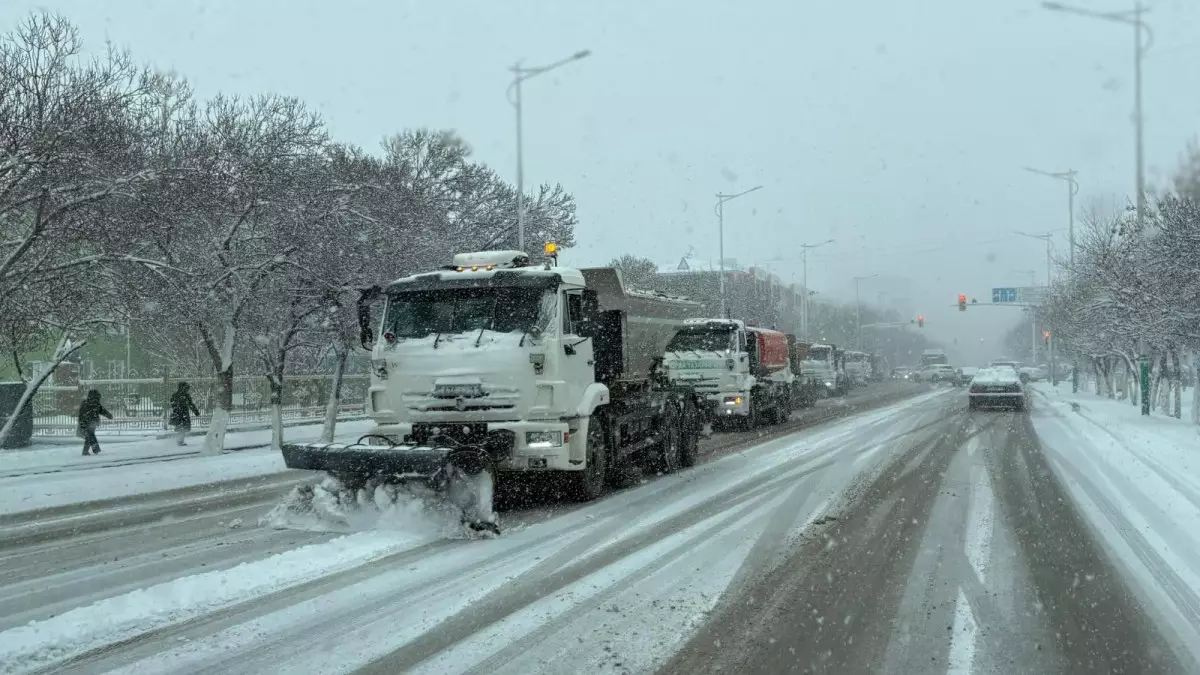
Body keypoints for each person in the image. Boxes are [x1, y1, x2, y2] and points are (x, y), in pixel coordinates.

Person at [77, 389, 112, 456]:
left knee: (89, 437)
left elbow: (81, 414)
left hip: (86, 423)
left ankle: (86, 451)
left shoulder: (85, 403)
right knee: (90, 436)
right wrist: (109, 415)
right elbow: (103, 411)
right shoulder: (96, 404)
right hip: (92, 423)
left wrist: (81, 423)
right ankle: (95, 449)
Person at [168, 382, 200, 446]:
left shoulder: (175, 394)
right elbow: (191, 404)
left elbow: (172, 403)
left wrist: (176, 407)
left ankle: (179, 440)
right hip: (184, 413)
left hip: (177, 413)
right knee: (183, 428)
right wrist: (196, 412)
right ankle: (180, 441)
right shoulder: (186, 395)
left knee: (180, 427)